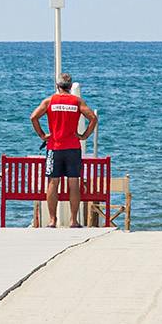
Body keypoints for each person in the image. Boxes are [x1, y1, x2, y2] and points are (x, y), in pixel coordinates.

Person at [29, 73, 98, 227]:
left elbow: (33, 117)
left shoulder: (49, 101)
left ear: (57, 85)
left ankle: (53, 221)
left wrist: (42, 135)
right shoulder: (76, 101)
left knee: (53, 183)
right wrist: (84, 135)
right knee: (73, 183)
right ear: (70, 86)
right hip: (73, 147)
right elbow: (93, 118)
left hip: (55, 147)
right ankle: (74, 221)